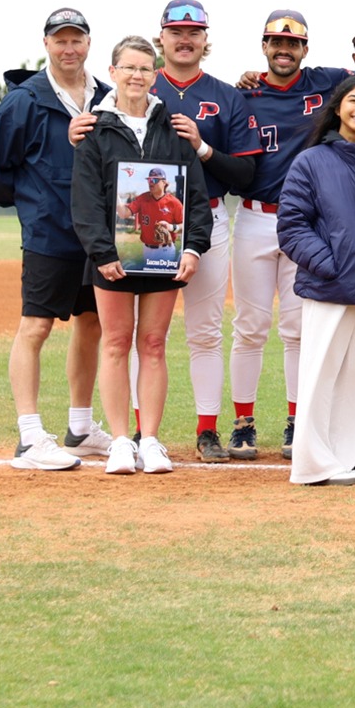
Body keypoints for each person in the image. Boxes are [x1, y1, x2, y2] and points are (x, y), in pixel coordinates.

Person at [0, 7, 113, 470]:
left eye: (77, 39)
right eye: (61, 40)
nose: (69, 48)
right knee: (35, 327)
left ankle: (80, 428)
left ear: (89, 44)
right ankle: (30, 437)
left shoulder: (106, 98)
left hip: (98, 238)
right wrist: (35, 204)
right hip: (49, 236)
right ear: (46, 44)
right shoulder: (25, 101)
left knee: (92, 323)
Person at [71, 36, 212, 475]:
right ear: (112, 73)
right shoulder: (95, 128)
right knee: (115, 343)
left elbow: (197, 197)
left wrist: (192, 247)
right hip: (112, 259)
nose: (137, 75)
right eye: (128, 67)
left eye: (145, 69)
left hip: (161, 258)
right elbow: (86, 200)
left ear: (155, 75)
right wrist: (101, 251)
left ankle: (149, 439)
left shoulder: (173, 127)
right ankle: (117, 442)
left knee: (152, 344)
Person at [234, 9, 348, 461]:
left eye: (293, 44)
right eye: (276, 43)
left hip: (305, 220)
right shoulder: (243, 92)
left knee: (298, 329)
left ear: (305, 49)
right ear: (264, 47)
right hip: (255, 217)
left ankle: (297, 421)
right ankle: (243, 421)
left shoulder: (326, 83)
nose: (284, 50)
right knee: (250, 327)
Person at [148, 2, 260, 462]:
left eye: (194, 31)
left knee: (206, 331)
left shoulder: (226, 97)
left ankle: (208, 429)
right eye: (176, 31)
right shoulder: (138, 84)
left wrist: (203, 146)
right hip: (147, 223)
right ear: (162, 37)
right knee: (145, 333)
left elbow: (246, 175)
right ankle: (140, 431)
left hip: (207, 217)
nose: (185, 39)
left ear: (204, 39)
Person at [278, 74, 355, 486]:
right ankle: (311, 465)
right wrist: (332, 265)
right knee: (319, 377)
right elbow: (292, 227)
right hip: (330, 288)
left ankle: (343, 458)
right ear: (338, 107)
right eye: (353, 100)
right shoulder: (312, 161)